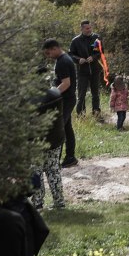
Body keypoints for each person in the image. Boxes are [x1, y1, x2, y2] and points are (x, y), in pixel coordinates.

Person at [41, 39, 79, 167]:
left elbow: (66, 83)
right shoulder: (63, 59)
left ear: (55, 48)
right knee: (67, 128)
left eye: (48, 53)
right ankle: (70, 157)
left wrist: (52, 95)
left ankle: (55, 161)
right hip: (67, 99)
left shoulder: (63, 61)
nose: (48, 56)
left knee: (58, 129)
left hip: (66, 100)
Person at [32, 83, 67, 210]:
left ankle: (37, 203)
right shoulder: (55, 93)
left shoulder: (29, 100)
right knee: (54, 170)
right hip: (56, 139)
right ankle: (59, 201)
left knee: (36, 172)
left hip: (36, 142)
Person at [70, 21, 103, 118]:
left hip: (95, 70)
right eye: (87, 28)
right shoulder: (75, 41)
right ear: (82, 29)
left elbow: (100, 52)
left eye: (90, 28)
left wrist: (93, 57)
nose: (89, 30)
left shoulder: (96, 38)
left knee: (95, 94)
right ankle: (81, 115)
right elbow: (71, 54)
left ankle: (96, 113)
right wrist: (78, 59)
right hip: (82, 71)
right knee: (81, 95)